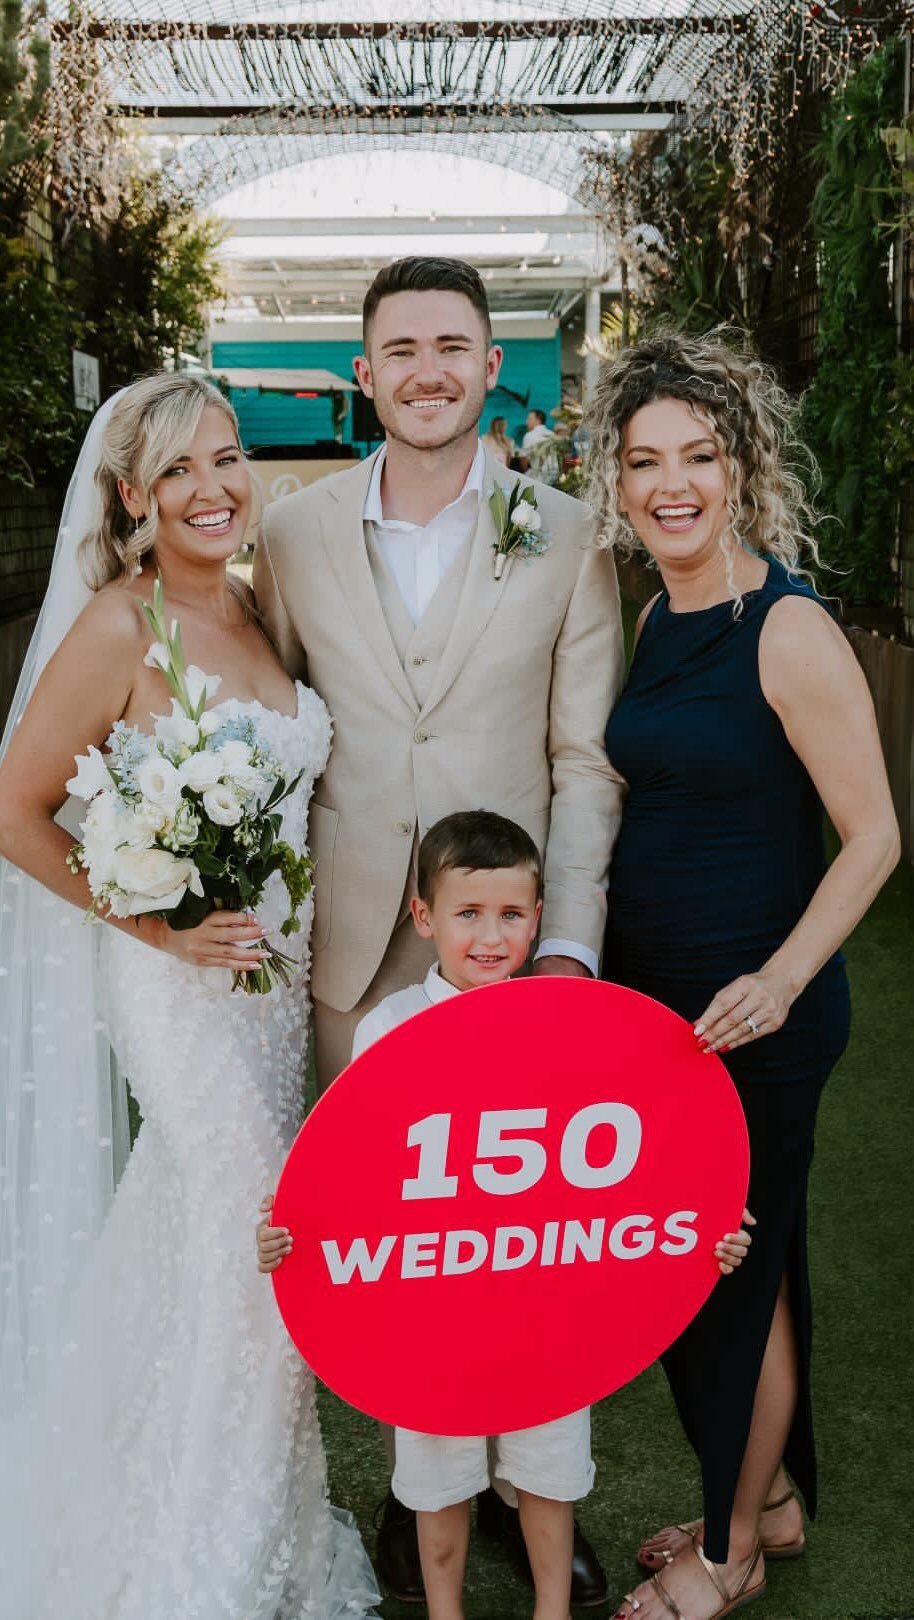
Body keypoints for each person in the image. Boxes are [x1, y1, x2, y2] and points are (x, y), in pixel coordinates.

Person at [253, 256, 625, 1604]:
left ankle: (531, 1492)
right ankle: (422, 1494)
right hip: (354, 945)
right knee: (390, 1241)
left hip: (512, 949)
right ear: (365, 372)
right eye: (401, 348)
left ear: (489, 368)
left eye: (451, 346)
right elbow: (271, 732)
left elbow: (582, 760)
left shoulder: (568, 533)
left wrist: (565, 948)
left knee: (524, 1238)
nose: (427, 370)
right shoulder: (290, 533)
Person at [0, 374, 378, 1619]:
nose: (213, 488)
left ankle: (240, 1520)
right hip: (178, 992)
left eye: (225, 458)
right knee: (262, 1243)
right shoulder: (122, 624)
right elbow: (16, 807)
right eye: (178, 471)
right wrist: (155, 926)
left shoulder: (258, 609)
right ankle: (199, 1574)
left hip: (272, 994)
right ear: (131, 496)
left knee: (213, 1247)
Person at [585, 331, 900, 1620]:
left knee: (727, 1277)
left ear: (741, 468)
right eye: (644, 461)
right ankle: (765, 1501)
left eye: (698, 457)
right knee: (722, 1271)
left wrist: (777, 980)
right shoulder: (654, 613)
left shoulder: (789, 626)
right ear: (614, 481)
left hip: (756, 1017)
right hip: (656, 1016)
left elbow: (872, 836)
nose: (672, 484)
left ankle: (726, 1555)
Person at [258, 810, 755, 1620]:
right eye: (469, 913)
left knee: (548, 1473)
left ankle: (552, 1610)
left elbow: (628, 1163)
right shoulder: (386, 1031)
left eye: (512, 915)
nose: (491, 937)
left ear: (537, 918)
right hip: (431, 1314)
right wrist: (292, 1229)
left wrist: (704, 1226)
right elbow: (355, 1166)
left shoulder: (570, 1027)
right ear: (424, 917)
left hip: (547, 1307)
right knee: (436, 1481)